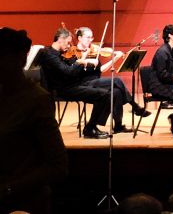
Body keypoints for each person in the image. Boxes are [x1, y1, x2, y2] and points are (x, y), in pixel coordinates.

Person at [0, 27, 67, 214]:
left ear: (19, 59)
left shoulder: (36, 99)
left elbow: (58, 165)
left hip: (22, 201)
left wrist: (9, 188)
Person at [37, 26, 120, 139]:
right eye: (67, 43)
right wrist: (80, 62)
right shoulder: (49, 54)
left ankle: (92, 127)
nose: (69, 46)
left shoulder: (60, 53)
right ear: (60, 39)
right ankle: (90, 129)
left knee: (112, 93)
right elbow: (68, 72)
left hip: (73, 85)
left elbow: (71, 70)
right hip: (63, 89)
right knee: (104, 95)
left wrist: (83, 62)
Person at [73, 26, 148, 130]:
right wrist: (84, 58)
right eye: (87, 37)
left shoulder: (93, 50)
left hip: (96, 82)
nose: (90, 40)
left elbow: (101, 69)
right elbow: (76, 69)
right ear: (80, 38)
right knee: (117, 80)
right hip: (84, 84)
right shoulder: (74, 52)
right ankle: (135, 106)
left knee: (116, 92)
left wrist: (115, 58)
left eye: (91, 38)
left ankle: (118, 126)